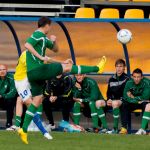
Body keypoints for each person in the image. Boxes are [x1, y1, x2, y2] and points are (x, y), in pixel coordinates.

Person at [18, 16, 107, 144]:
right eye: (50, 25)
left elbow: (55, 50)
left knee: (37, 100)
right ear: (47, 25)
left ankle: (24, 130)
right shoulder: (37, 34)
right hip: (38, 70)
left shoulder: (43, 39)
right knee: (68, 68)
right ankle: (97, 68)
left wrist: (54, 42)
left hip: (32, 74)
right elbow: (27, 44)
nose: (50, 28)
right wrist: (40, 57)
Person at [14, 51, 52, 139]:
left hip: (29, 80)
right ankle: (44, 132)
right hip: (21, 81)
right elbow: (33, 66)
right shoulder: (25, 54)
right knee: (26, 103)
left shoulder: (39, 53)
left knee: (28, 102)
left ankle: (17, 126)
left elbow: (45, 61)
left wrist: (63, 63)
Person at [98, 59, 129, 134]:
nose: (118, 68)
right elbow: (108, 92)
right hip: (112, 101)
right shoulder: (111, 79)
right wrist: (109, 99)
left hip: (122, 101)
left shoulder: (127, 79)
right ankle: (104, 127)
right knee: (98, 103)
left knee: (115, 103)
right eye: (117, 66)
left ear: (124, 67)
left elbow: (125, 94)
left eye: (121, 66)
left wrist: (115, 100)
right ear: (115, 67)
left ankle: (115, 129)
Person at [120, 68, 150, 134]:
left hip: (143, 102)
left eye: (138, 77)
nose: (136, 79)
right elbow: (125, 96)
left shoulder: (147, 82)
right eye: (135, 77)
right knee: (124, 105)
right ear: (132, 77)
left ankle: (144, 129)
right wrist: (136, 100)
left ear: (142, 77)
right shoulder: (129, 83)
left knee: (146, 104)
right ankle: (124, 128)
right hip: (134, 102)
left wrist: (133, 97)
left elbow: (146, 97)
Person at [0, 64, 17, 129]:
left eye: (3, 69)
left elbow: (13, 92)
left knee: (10, 101)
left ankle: (9, 124)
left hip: (7, 99)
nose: (2, 71)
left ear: (7, 70)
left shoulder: (11, 77)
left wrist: (3, 95)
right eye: (0, 70)